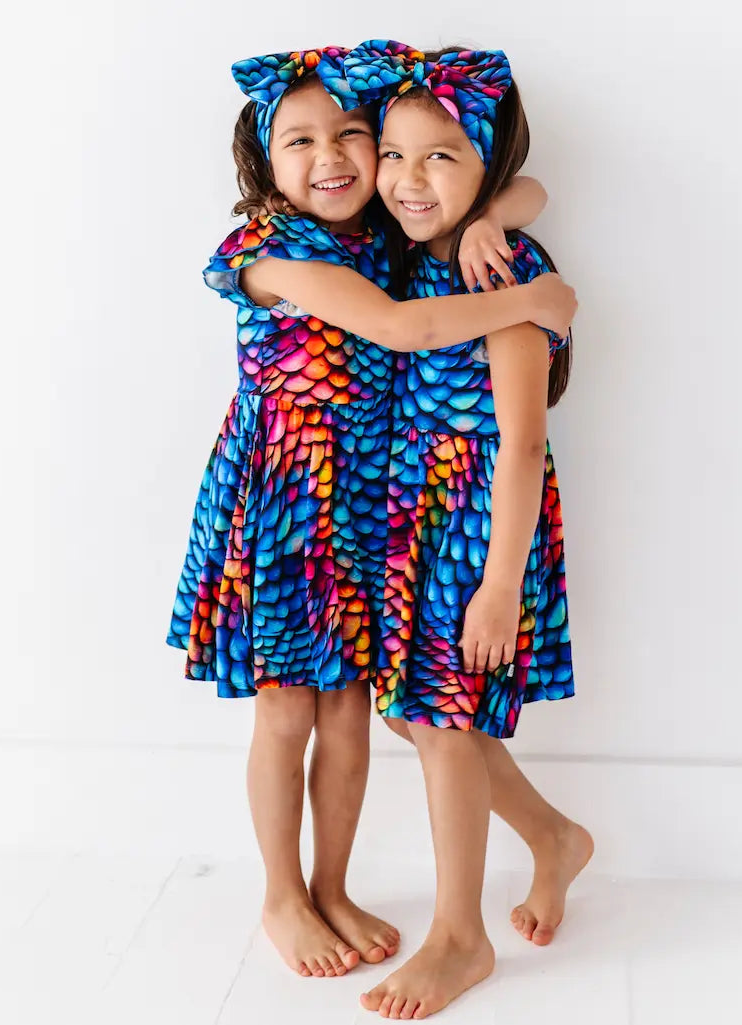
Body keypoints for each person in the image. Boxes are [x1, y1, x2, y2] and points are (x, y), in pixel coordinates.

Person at [166, 46, 577, 981]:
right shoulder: (268, 252)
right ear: (259, 158)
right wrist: (543, 299)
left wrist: (501, 222)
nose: (342, 158)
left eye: (354, 134)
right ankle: (282, 894)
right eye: (301, 138)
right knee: (292, 715)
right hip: (283, 510)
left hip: (373, 511)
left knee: (359, 714)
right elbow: (400, 330)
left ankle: (336, 884)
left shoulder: (394, 238)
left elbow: (527, 187)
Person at [341, 41, 593, 1018]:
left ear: (482, 161)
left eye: (439, 157)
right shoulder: (403, 251)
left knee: (444, 724)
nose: (406, 179)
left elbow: (522, 447)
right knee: (411, 712)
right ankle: (555, 836)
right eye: (393, 155)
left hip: (478, 531)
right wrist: (491, 200)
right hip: (406, 526)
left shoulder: (509, 271)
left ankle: (459, 935)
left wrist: (498, 583)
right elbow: (520, 186)